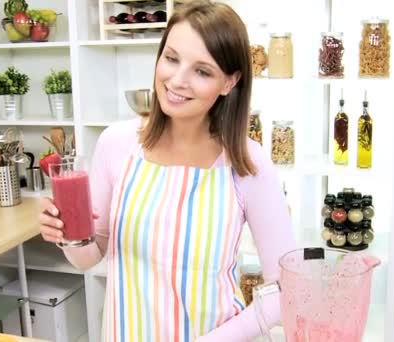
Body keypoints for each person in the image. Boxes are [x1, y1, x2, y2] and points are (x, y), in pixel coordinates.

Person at [39, 1, 297, 341]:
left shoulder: (248, 162)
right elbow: (89, 257)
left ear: (229, 82)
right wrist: (66, 235)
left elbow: (286, 289)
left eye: (202, 71)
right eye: (171, 58)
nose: (177, 80)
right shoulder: (116, 144)